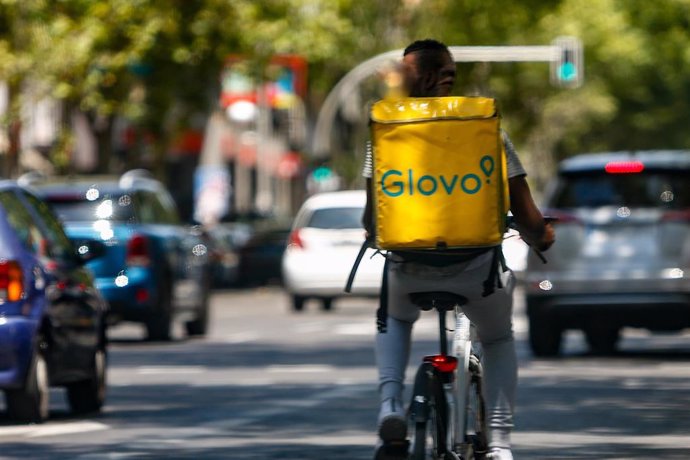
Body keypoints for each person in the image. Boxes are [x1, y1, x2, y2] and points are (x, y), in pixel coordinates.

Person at [363, 39, 555, 460]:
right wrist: (541, 236)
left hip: (408, 266)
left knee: (393, 316)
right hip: (476, 270)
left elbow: (370, 218)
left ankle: (390, 406)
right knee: (500, 338)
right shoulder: (485, 130)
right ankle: (500, 445)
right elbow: (526, 214)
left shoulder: (388, 133)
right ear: (448, 78)